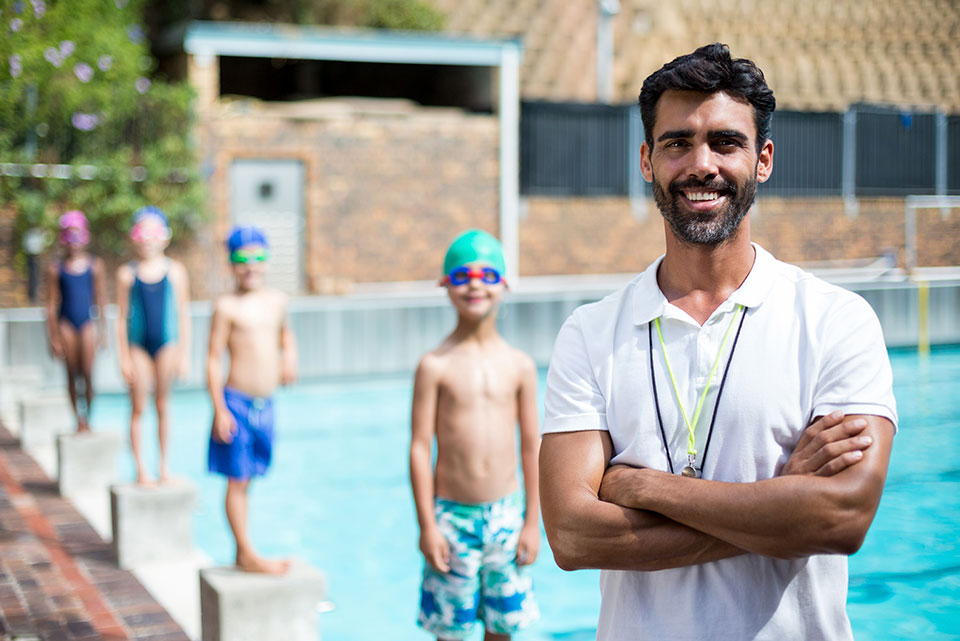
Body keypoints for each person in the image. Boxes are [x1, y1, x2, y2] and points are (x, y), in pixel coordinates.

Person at [539, 43, 897, 641]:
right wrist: (781, 505)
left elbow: (841, 517)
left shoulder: (837, 320)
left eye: (725, 142)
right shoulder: (591, 332)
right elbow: (572, 537)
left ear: (763, 160)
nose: (701, 164)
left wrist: (643, 486)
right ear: (648, 160)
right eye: (678, 143)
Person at [410, 229, 541, 641]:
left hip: (507, 515)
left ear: (503, 284)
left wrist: (532, 522)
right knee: (453, 632)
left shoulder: (519, 365)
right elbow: (419, 448)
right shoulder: (435, 366)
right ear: (445, 284)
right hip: (452, 520)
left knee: (503, 631)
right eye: (463, 274)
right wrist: (427, 525)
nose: (474, 284)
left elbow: (532, 447)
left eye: (487, 274)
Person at [206, 226, 297, 574]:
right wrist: (219, 410)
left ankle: (244, 549)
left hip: (265, 405)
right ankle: (245, 552)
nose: (251, 266)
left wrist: (290, 357)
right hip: (237, 404)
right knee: (237, 479)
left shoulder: (277, 301)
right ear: (231, 265)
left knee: (249, 478)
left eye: (258, 257)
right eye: (242, 259)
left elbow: (286, 336)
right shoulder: (226, 307)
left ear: (267, 260)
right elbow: (213, 359)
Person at [115, 206, 191, 485]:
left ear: (165, 237)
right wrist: (123, 357)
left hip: (167, 345)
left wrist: (184, 354)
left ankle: (163, 466)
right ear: (133, 237)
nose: (147, 239)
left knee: (163, 405)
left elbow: (183, 315)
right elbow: (121, 319)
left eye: (153, 232)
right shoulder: (126, 274)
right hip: (138, 348)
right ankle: (140, 468)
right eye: (141, 233)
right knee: (137, 406)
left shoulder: (176, 271)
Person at [45, 210, 107, 433]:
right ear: (63, 238)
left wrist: (103, 331)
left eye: (78, 235)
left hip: (87, 323)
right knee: (72, 373)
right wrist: (53, 337)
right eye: (69, 236)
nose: (74, 242)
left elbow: (100, 300)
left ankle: (88, 418)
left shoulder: (94, 265)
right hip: (66, 325)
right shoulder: (56, 269)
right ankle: (77, 420)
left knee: (88, 373)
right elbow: (51, 305)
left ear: (86, 236)